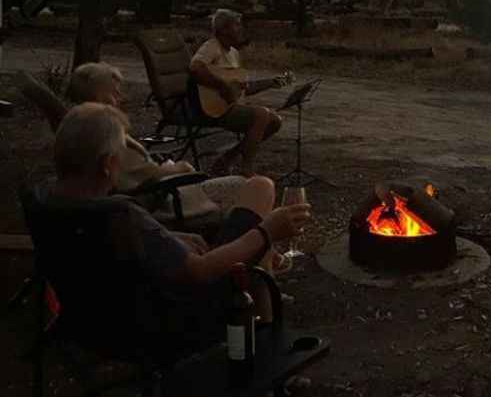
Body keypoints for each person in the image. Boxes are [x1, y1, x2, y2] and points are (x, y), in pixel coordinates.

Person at [44, 103, 310, 350]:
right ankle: (265, 354)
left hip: (92, 321)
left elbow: (137, 246)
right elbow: (201, 272)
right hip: (175, 321)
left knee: (258, 192)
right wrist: (267, 232)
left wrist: (168, 235)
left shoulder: (49, 202)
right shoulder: (120, 214)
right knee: (259, 204)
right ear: (106, 166)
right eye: (119, 158)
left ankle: (265, 343)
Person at [68, 62, 292, 274]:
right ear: (96, 95)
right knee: (253, 187)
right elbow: (139, 180)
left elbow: (135, 172)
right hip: (169, 198)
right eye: (114, 92)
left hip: (164, 193)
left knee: (251, 190)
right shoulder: (104, 136)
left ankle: (266, 259)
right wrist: (178, 168)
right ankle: (259, 269)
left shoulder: (80, 127)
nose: (121, 97)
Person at [190, 9, 282, 176]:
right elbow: (195, 67)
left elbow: (240, 89)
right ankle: (246, 170)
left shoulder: (234, 53)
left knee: (275, 121)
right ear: (224, 29)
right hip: (213, 110)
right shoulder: (212, 47)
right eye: (236, 25)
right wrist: (222, 85)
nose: (240, 29)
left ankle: (226, 159)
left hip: (229, 105)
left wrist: (273, 83)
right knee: (261, 115)